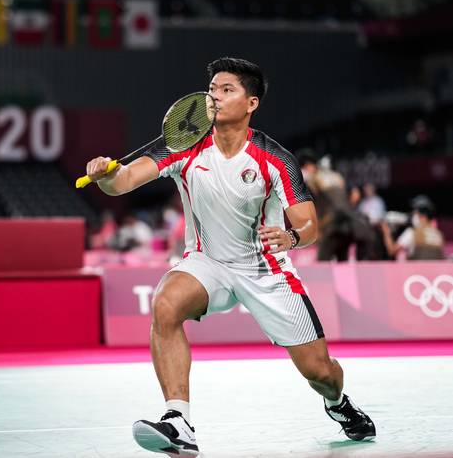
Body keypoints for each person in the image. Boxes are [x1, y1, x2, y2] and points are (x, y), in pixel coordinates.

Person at [85, 58, 375, 457]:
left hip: (265, 270)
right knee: (166, 303)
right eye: (212, 90)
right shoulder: (182, 145)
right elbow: (126, 181)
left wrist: (290, 236)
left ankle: (339, 403)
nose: (215, 97)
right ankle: (177, 419)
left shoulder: (275, 157)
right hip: (208, 263)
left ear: (251, 102)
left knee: (321, 372)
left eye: (227, 90)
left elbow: (309, 223)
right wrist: (105, 175)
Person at [381, 195, 445, 260]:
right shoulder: (438, 234)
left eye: (415, 213)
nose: (413, 215)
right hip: (436, 269)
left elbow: (391, 251)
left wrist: (386, 232)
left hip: (417, 269)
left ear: (422, 215)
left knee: (401, 255)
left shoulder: (412, 232)